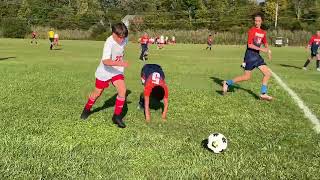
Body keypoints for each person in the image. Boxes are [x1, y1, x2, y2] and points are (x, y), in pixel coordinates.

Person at [80, 22, 129, 128]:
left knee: (122, 91)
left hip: (116, 71)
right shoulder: (109, 42)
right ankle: (87, 109)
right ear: (113, 34)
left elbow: (122, 49)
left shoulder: (125, 39)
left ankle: (116, 117)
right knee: (97, 93)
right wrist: (120, 63)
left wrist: (120, 60)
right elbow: (106, 61)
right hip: (105, 71)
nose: (122, 40)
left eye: (123, 37)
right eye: (120, 37)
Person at [222, 13, 273, 101]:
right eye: (255, 21)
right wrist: (263, 50)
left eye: (259, 21)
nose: (257, 22)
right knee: (248, 76)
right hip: (250, 56)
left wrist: (268, 50)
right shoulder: (252, 31)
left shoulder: (263, 32)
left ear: (262, 21)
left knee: (264, 74)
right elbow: (250, 45)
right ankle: (227, 83)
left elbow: (265, 42)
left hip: (256, 56)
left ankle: (263, 94)